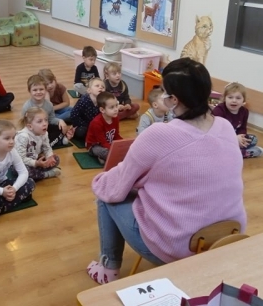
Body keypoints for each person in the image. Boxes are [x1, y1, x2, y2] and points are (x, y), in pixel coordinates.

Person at [87, 58, 246, 285]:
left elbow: (115, 187)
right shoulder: (226, 127)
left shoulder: (159, 134)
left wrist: (101, 180)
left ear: (173, 100)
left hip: (179, 247)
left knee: (106, 196)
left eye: (164, 91)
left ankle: (108, 268)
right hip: (228, 239)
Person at [212, 82, 262, 158]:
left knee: (253, 139)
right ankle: (236, 153)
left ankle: (234, 151)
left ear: (243, 101)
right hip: (221, 138)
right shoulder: (219, 110)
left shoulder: (244, 111)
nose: (234, 100)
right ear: (224, 98)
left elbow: (242, 128)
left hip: (235, 138)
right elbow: (216, 131)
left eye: (238, 98)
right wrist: (234, 138)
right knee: (257, 151)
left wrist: (241, 138)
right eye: (230, 97)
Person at [21, 75, 69, 148]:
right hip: (33, 132)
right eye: (35, 90)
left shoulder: (49, 104)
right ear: (29, 91)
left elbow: (51, 119)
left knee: (60, 128)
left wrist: (60, 121)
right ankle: (52, 143)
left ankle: (46, 144)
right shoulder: (27, 106)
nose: (38, 92)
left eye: (41, 89)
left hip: (45, 129)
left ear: (46, 90)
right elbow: (24, 125)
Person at [15, 107, 61, 180]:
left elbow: (47, 148)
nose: (45, 124)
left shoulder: (44, 133)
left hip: (35, 160)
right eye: (40, 121)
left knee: (56, 159)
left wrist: (49, 157)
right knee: (25, 171)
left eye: (46, 120)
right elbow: (20, 159)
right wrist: (36, 163)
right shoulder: (23, 136)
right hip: (20, 163)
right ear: (30, 126)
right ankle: (46, 174)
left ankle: (38, 171)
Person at [86, 92, 122, 165]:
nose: (116, 109)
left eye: (116, 106)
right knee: (107, 153)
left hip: (108, 143)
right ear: (102, 110)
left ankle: (104, 158)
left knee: (124, 149)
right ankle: (103, 156)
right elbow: (102, 142)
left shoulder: (115, 118)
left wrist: (123, 144)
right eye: (112, 107)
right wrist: (114, 150)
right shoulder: (97, 123)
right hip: (94, 146)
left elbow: (116, 135)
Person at [70, 77, 105, 142]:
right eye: (97, 86)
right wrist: (80, 125)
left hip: (95, 125)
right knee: (81, 132)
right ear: (89, 90)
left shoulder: (102, 102)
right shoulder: (84, 100)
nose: (100, 88)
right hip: (83, 125)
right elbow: (74, 114)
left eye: (103, 87)